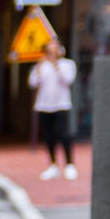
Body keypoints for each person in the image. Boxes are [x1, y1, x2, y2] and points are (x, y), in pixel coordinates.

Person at [31, 39, 78, 180]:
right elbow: (33, 82)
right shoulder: (42, 66)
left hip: (61, 105)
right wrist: (40, 65)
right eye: (49, 51)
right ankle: (52, 165)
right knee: (49, 136)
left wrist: (56, 65)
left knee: (63, 134)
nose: (52, 54)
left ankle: (69, 165)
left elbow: (68, 80)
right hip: (44, 105)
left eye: (55, 50)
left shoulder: (68, 64)